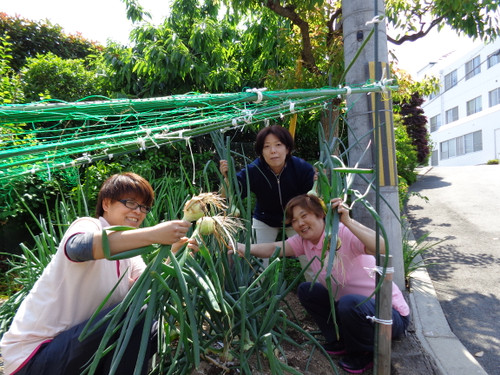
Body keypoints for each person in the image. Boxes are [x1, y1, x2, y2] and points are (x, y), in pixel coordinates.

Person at [0, 172, 197, 375]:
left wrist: (173, 252)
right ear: (106, 204)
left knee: (150, 325)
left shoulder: (131, 255)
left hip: (70, 352)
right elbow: (77, 248)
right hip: (30, 357)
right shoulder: (89, 225)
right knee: (136, 316)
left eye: (144, 207)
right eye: (130, 203)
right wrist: (153, 234)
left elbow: (147, 288)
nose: (138, 212)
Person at [231, 194, 410, 374]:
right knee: (308, 290)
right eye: (294, 220)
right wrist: (243, 248)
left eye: (304, 215)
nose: (299, 223)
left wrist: (348, 221)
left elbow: (383, 247)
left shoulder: (340, 233)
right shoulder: (304, 242)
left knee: (349, 303)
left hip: (387, 316)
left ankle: (365, 353)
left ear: (319, 215)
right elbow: (274, 248)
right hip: (353, 312)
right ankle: (339, 341)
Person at [219, 125, 315, 267]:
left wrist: (319, 181)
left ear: (287, 148)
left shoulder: (302, 168)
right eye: (267, 146)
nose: (273, 151)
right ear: (261, 151)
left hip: (296, 218)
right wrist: (226, 177)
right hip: (265, 218)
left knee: (311, 262)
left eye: (278, 145)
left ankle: (315, 289)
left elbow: (314, 198)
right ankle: (261, 288)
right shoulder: (254, 169)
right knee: (258, 264)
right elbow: (230, 194)